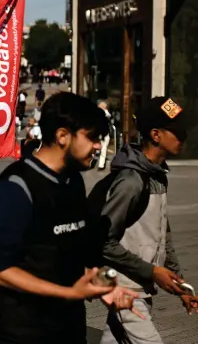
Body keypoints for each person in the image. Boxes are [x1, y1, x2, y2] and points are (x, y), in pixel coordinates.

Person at [0, 92, 142, 344]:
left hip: (67, 325)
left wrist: (105, 286)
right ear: (63, 136)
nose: (99, 146)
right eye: (92, 137)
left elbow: (74, 250)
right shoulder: (16, 187)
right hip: (22, 330)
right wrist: (68, 293)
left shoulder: (73, 180)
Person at [95, 97, 198, 344]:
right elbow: (102, 241)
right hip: (120, 284)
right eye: (177, 131)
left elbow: (165, 233)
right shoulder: (130, 181)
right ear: (155, 134)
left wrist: (180, 284)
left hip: (139, 284)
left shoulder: (158, 176)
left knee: (114, 338)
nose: (184, 136)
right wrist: (153, 271)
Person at [96, 100, 111, 170]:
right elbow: (109, 115)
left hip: (100, 133)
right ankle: (101, 165)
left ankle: (100, 164)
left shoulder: (98, 114)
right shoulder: (105, 113)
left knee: (101, 148)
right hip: (104, 134)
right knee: (104, 148)